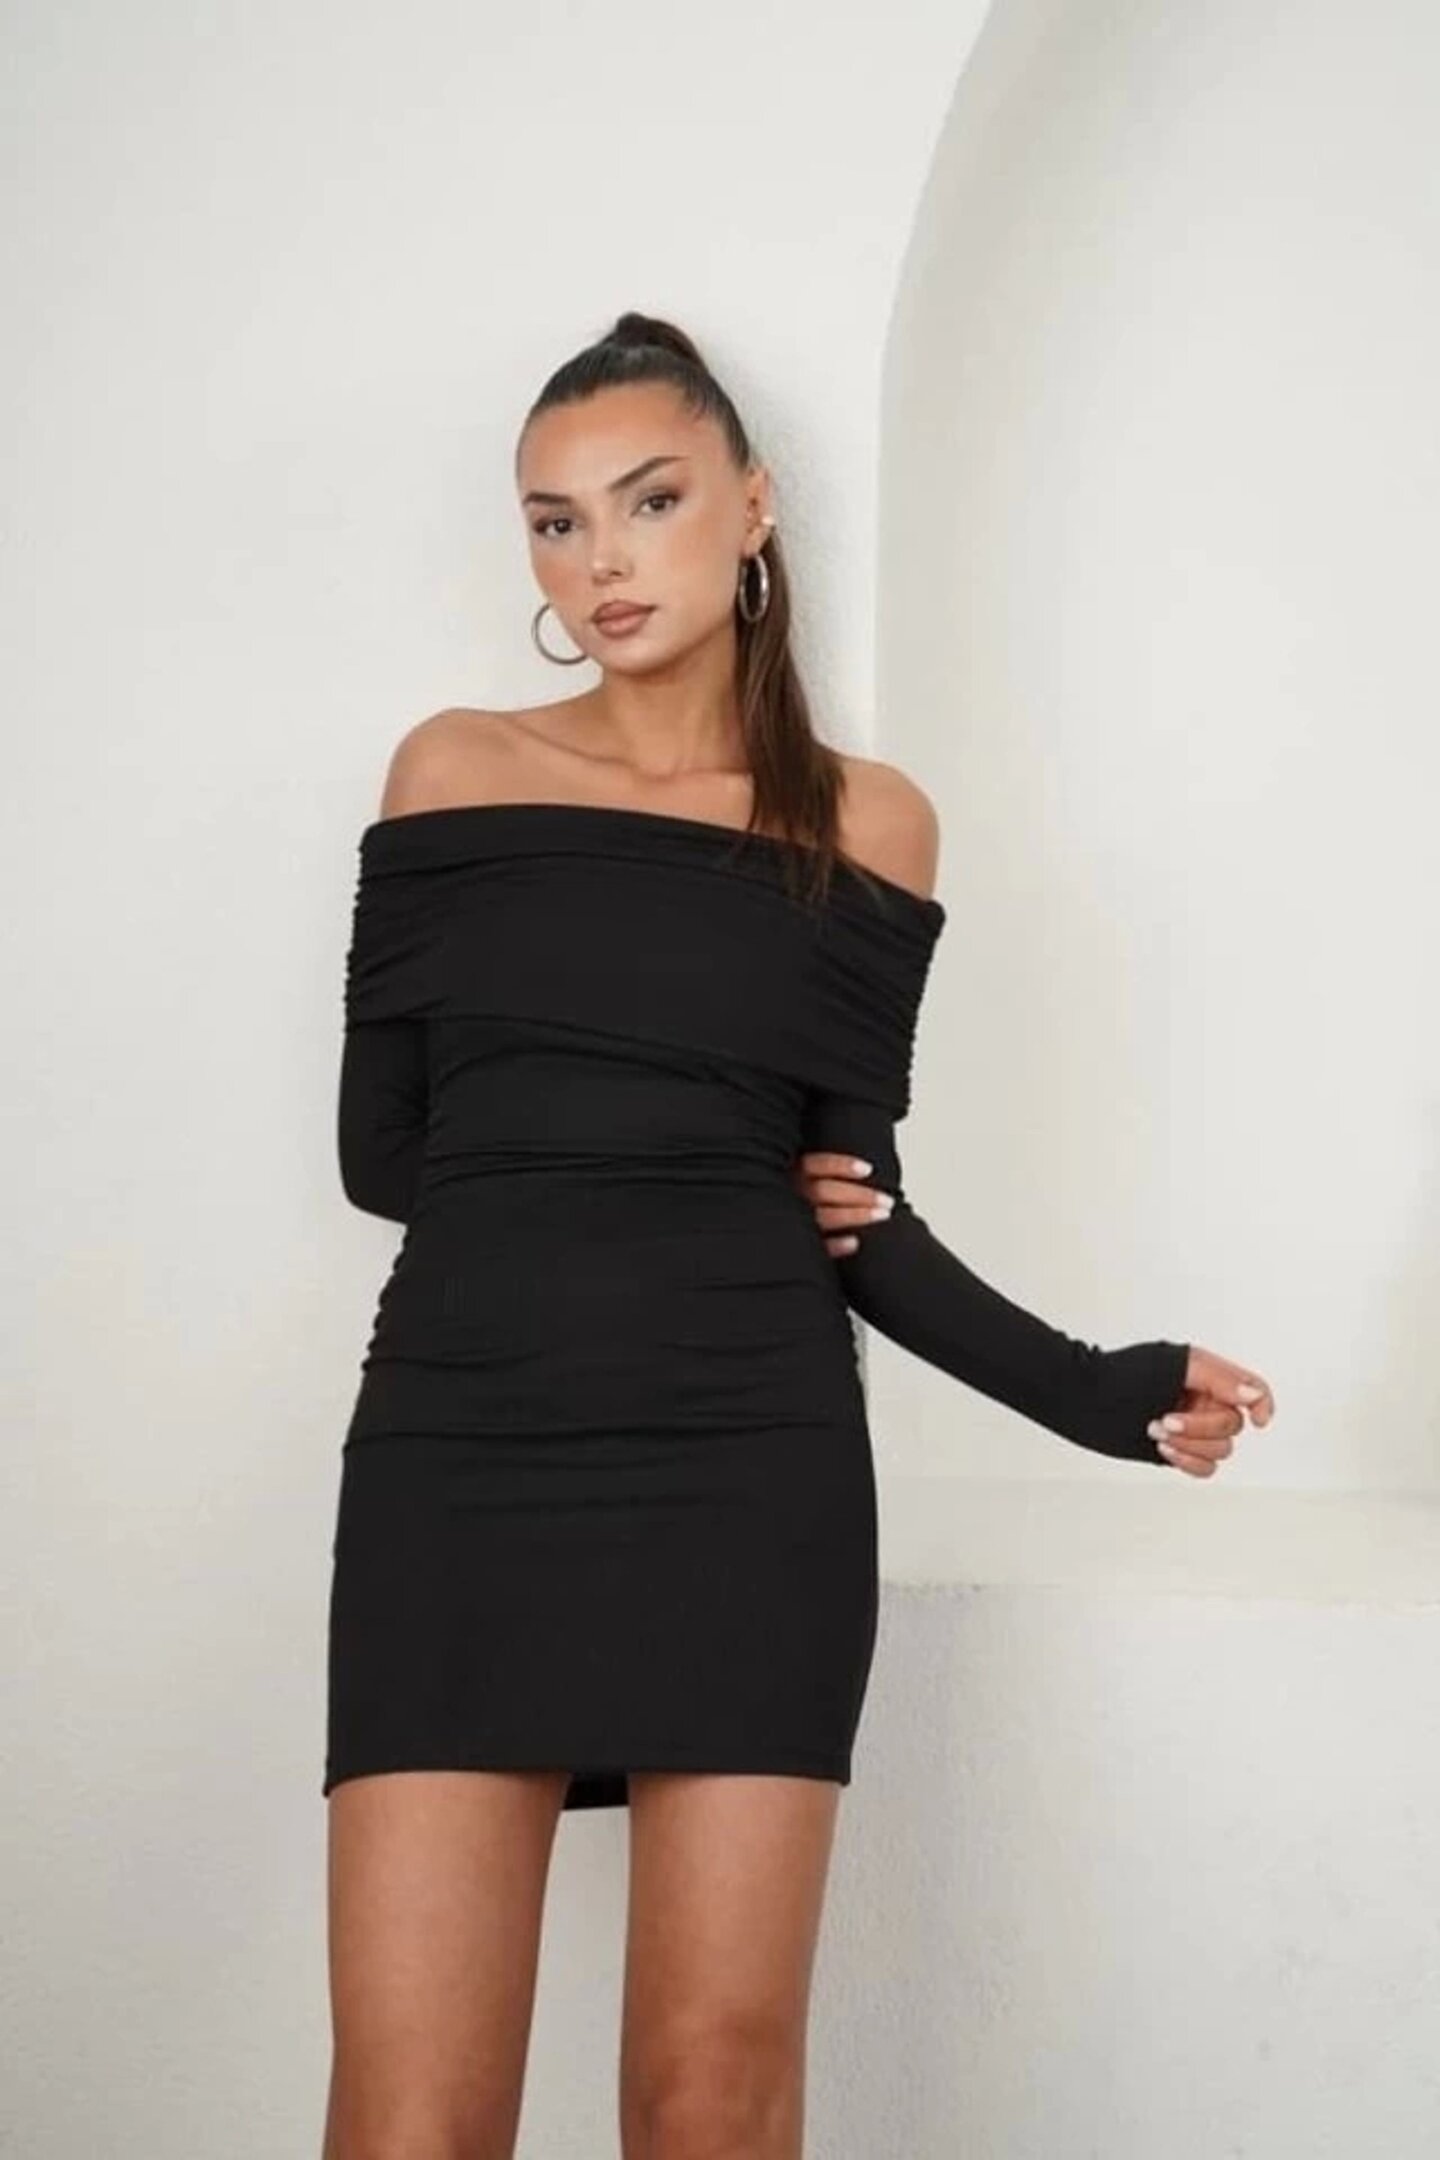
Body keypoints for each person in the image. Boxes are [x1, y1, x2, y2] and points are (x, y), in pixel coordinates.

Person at [320, 311, 1275, 2160]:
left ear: (752, 506)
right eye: (556, 522)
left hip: (746, 1464)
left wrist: (1104, 1391)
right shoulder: (451, 772)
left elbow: (860, 1218)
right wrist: (676, 1153)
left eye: (650, 501)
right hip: (463, 1454)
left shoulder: (871, 827)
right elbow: (386, 1158)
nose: (601, 560)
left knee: (715, 2100)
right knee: (413, 2117)